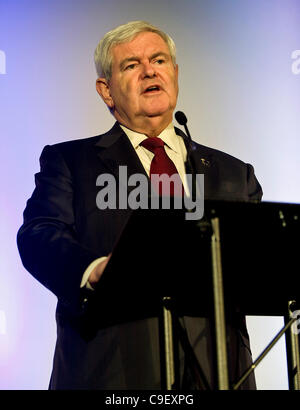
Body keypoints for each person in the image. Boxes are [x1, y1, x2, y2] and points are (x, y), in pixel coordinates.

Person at [17, 20, 262, 390]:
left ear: (175, 74)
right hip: (114, 372)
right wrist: (94, 270)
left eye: (159, 60)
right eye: (131, 65)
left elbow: (258, 263)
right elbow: (38, 235)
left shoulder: (232, 173)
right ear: (106, 90)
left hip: (219, 373)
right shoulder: (71, 162)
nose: (150, 70)